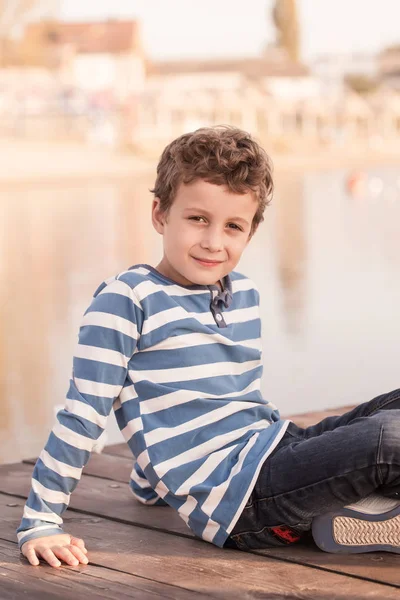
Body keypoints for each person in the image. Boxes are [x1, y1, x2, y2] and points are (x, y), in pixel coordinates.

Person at [18, 126, 400, 568]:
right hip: (240, 502)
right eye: (198, 218)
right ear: (160, 214)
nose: (213, 242)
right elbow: (82, 414)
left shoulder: (244, 295)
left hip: (272, 449)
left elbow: (199, 403)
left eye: (232, 226)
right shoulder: (127, 299)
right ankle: (363, 502)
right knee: (388, 439)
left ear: (251, 232)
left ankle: (359, 510)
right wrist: (41, 520)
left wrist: (151, 480)